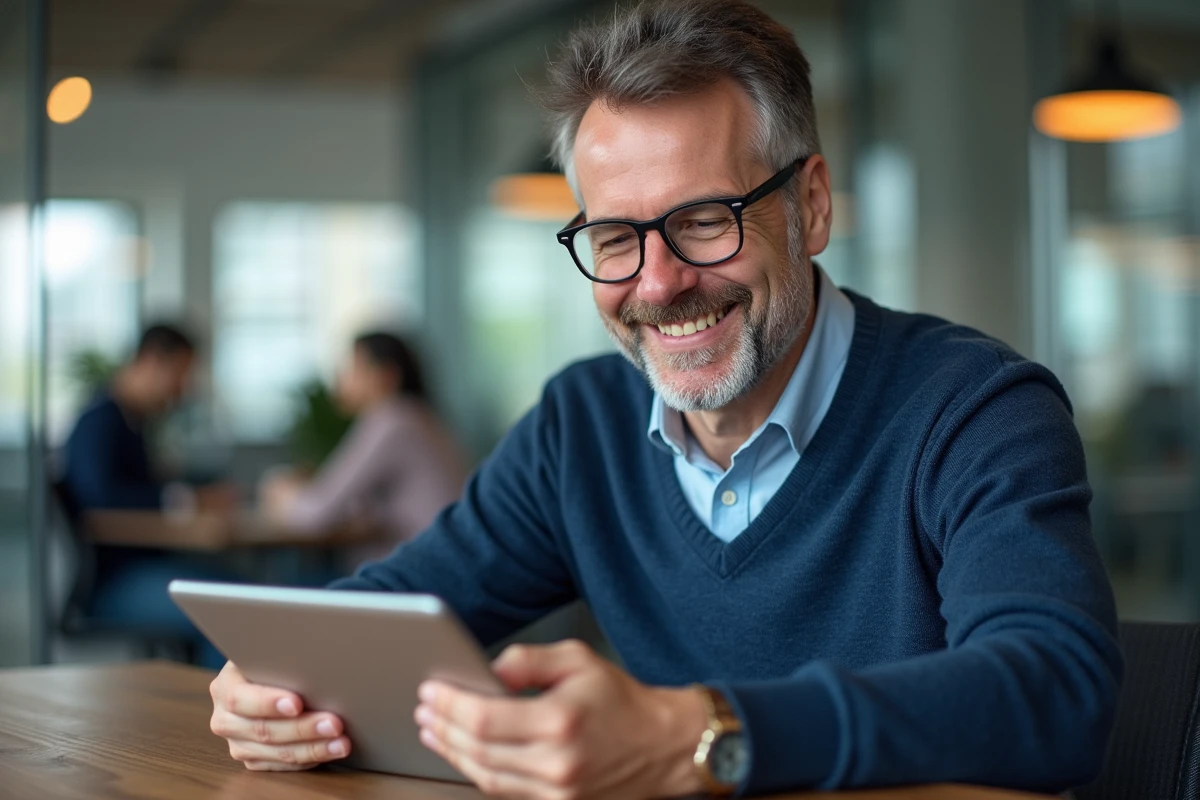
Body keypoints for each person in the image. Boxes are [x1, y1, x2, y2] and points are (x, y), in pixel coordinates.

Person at [207, 2, 1123, 797]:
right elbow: (394, 613)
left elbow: (1054, 692)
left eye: (702, 222)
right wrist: (274, 680)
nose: (657, 283)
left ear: (808, 206)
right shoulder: (582, 427)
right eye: (614, 238)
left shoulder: (974, 409)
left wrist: (698, 736)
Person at [61, 323, 234, 668]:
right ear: (152, 362)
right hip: (112, 583)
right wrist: (182, 499)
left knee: (238, 591)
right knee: (224, 612)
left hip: (145, 569)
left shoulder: (133, 423)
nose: (182, 390)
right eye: (180, 375)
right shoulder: (98, 422)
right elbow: (101, 498)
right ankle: (222, 713)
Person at [261, 331, 467, 560]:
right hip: (434, 566)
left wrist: (281, 495)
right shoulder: (420, 417)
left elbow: (316, 515)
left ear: (387, 376)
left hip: (418, 576)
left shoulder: (392, 420)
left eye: (353, 368)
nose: (341, 379)